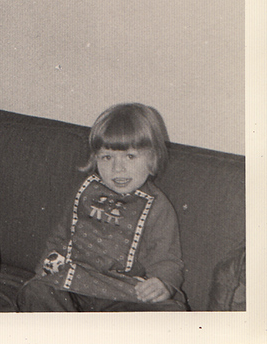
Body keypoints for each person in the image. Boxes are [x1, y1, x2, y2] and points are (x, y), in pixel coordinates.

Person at [17, 103, 187, 312]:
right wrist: (43, 272)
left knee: (172, 312)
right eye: (107, 157)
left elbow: (167, 260)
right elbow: (61, 238)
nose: (117, 168)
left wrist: (163, 283)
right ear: (95, 159)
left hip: (122, 294)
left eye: (130, 156)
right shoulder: (86, 191)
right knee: (34, 291)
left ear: (152, 159)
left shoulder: (157, 206)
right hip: (74, 285)